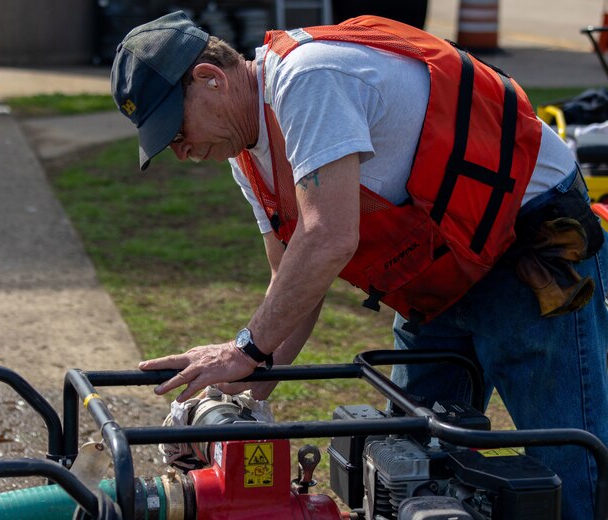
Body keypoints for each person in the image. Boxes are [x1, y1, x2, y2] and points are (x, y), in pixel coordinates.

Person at [110, 11, 608, 519]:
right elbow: (296, 280)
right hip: (442, 272)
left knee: (569, 463)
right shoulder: (248, 150)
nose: (181, 150)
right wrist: (243, 397)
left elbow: (329, 236)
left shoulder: (308, 79)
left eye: (175, 129)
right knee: (410, 460)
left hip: (526, 244)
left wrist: (244, 348)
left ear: (210, 79)